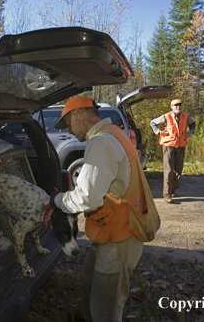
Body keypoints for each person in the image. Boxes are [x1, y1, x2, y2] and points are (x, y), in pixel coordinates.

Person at [51, 95, 160, 322]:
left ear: (80, 115)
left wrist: (57, 200)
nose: (70, 131)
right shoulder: (114, 132)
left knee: (106, 304)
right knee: (89, 281)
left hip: (121, 235)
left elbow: (87, 198)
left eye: (69, 123)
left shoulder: (101, 142)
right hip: (111, 230)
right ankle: (84, 316)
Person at [149, 99, 196, 203]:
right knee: (169, 170)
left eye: (179, 104)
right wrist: (158, 131)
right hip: (168, 146)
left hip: (181, 146)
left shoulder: (185, 116)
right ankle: (167, 194)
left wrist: (191, 132)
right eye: (176, 105)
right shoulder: (165, 117)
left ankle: (173, 189)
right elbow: (152, 123)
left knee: (178, 170)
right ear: (172, 106)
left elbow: (193, 124)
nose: (178, 106)